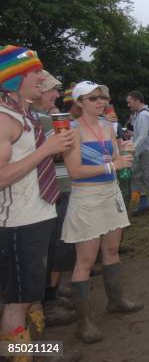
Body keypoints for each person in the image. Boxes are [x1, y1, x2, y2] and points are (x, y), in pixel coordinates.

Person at [0, 45, 74, 351]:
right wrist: (46, 150)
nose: (41, 78)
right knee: (17, 303)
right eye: (35, 72)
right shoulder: (4, 119)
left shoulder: (27, 114)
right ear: (16, 79)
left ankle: (42, 351)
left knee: (33, 295)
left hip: (40, 214)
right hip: (18, 223)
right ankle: (16, 356)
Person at [62, 81, 143, 344]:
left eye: (103, 97)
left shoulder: (108, 127)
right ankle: (84, 323)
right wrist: (113, 166)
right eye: (93, 97)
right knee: (85, 261)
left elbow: (116, 158)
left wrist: (124, 155)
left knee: (111, 251)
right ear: (79, 102)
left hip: (111, 193)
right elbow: (75, 171)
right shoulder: (71, 132)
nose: (101, 101)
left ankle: (116, 300)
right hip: (87, 198)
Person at [34, 71, 79, 330]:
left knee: (57, 247)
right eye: (52, 90)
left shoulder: (45, 117)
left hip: (55, 190)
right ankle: (46, 305)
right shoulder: (31, 120)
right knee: (51, 249)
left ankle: (49, 298)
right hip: (47, 194)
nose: (56, 95)